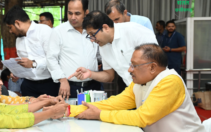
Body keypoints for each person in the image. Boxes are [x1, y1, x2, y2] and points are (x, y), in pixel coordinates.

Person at [62, 44, 205, 132]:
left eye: (134, 65)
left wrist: (99, 114)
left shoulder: (170, 81)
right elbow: (113, 103)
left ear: (153, 67)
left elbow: (142, 117)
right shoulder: (138, 83)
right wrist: (67, 110)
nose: (130, 70)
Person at [68, 11, 158, 94]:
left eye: (93, 35)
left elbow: (156, 64)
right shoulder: (103, 46)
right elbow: (109, 76)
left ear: (105, 27)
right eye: (89, 36)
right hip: (133, 91)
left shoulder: (134, 31)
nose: (92, 40)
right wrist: (90, 74)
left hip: (154, 88)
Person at [46, 0, 101, 100]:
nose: (72, 17)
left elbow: (98, 55)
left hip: (94, 86)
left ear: (86, 12)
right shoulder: (59, 32)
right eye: (70, 13)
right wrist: (62, 80)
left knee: (95, 115)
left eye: (77, 13)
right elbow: (51, 58)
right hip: (70, 87)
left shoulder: (93, 30)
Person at [4, 5, 59, 98]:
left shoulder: (44, 31)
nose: (10, 31)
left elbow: (54, 58)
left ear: (17, 23)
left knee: (51, 111)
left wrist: (33, 63)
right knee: (30, 112)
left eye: (10, 27)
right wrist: (17, 73)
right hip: (28, 85)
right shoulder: (18, 39)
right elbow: (24, 63)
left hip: (49, 84)